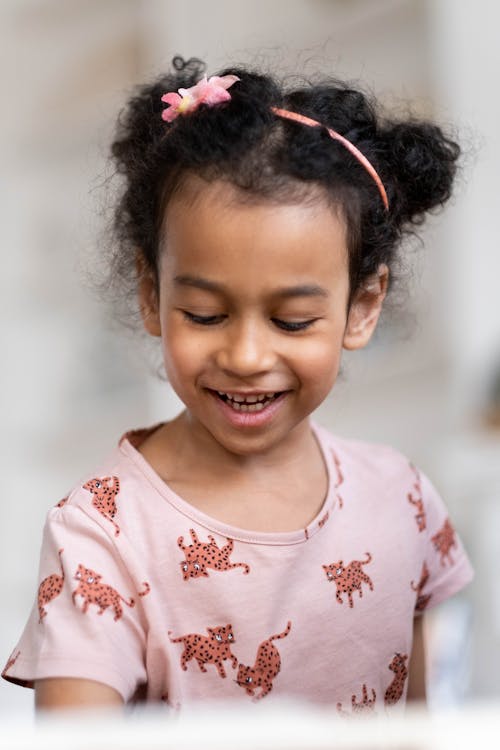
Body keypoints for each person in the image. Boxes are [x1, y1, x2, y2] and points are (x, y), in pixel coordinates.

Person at [2, 56, 473, 714]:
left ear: (362, 307)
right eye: (205, 315)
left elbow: (441, 720)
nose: (247, 355)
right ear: (150, 293)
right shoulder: (103, 533)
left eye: (291, 320)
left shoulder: (405, 504)